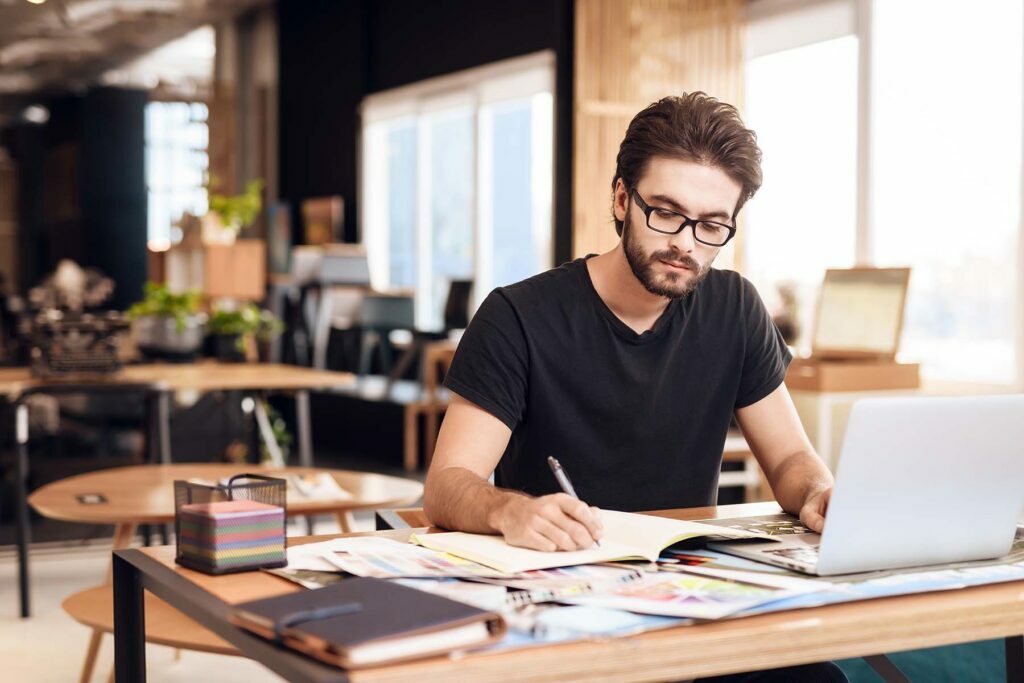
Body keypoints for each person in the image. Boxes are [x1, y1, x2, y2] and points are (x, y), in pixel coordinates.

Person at [423, 92, 846, 683]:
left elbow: (792, 460)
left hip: (692, 594)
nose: (687, 243)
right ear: (622, 198)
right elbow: (446, 486)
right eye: (666, 213)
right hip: (566, 597)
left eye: (711, 224)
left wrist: (820, 493)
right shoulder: (517, 316)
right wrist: (508, 510)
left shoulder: (736, 308)